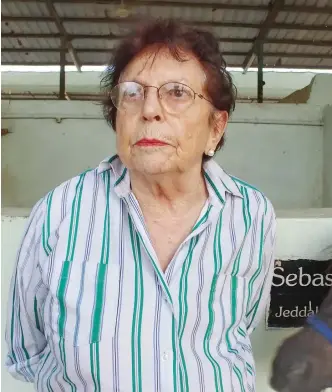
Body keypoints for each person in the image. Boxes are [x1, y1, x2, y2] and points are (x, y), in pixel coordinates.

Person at [5, 18, 277, 392]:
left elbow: (239, 327)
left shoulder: (251, 214)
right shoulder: (60, 212)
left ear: (215, 127)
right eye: (132, 93)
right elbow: (29, 350)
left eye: (177, 93)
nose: (149, 110)